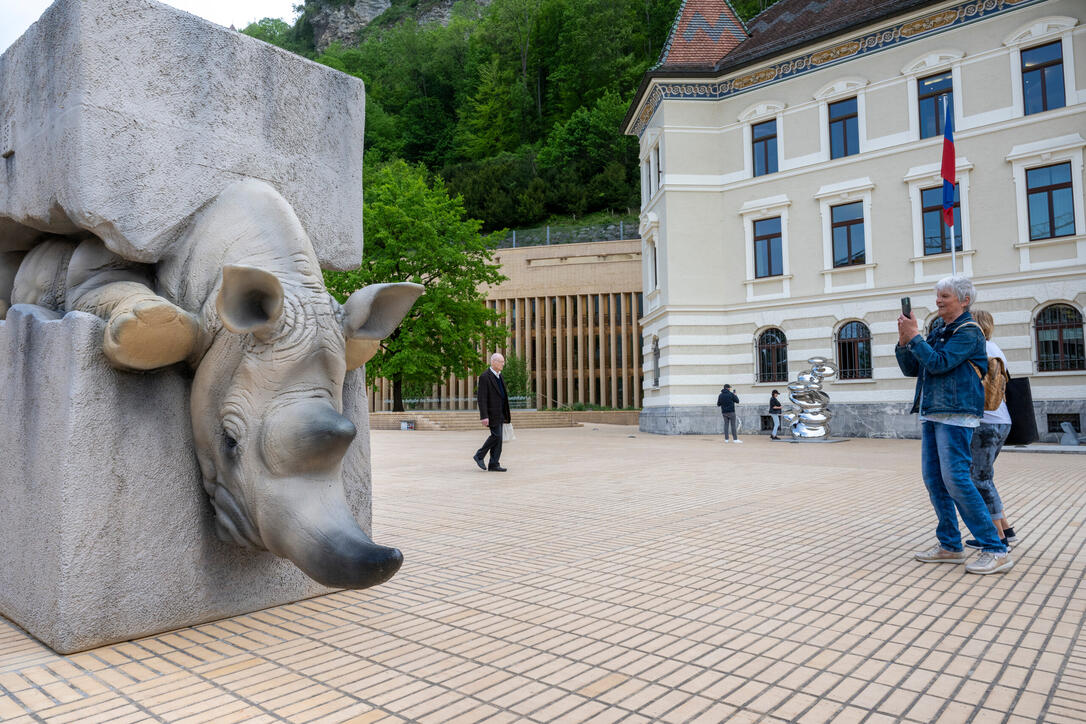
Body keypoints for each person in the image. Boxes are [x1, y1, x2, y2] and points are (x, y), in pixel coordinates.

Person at [895, 276, 1012, 575]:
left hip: (957, 414)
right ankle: (950, 545)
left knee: (957, 480)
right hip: (933, 412)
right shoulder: (940, 329)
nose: (938, 301)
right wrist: (904, 341)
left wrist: (917, 338)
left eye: (944, 296)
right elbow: (913, 368)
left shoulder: (969, 332)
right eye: (937, 296)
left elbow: (938, 363)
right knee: (935, 480)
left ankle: (996, 548)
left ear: (963, 301)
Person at [966, 310, 1018, 549]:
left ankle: (996, 537)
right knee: (983, 477)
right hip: (1001, 420)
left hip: (986, 423)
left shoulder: (981, 351)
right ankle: (1005, 528)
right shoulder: (995, 348)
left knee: (980, 479)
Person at [474, 352, 511, 472]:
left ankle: (494, 463)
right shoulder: (485, 376)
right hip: (491, 413)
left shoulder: (500, 376)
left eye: (503, 362)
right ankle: (479, 455)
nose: (503, 364)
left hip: (500, 412)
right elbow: (482, 398)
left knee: (499, 439)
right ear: (494, 362)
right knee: (496, 436)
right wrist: (484, 416)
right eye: (501, 362)